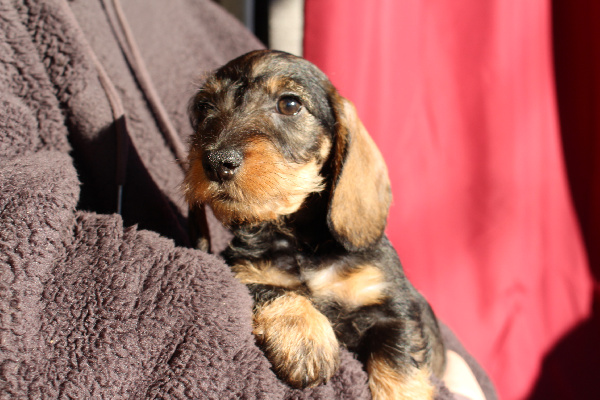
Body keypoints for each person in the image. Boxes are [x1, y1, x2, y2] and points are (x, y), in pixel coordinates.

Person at [0, 0, 494, 398]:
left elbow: (400, 322)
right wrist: (278, 305)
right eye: (208, 109)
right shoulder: (246, 264)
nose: (222, 149)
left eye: (289, 104)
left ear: (337, 142)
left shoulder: (363, 262)